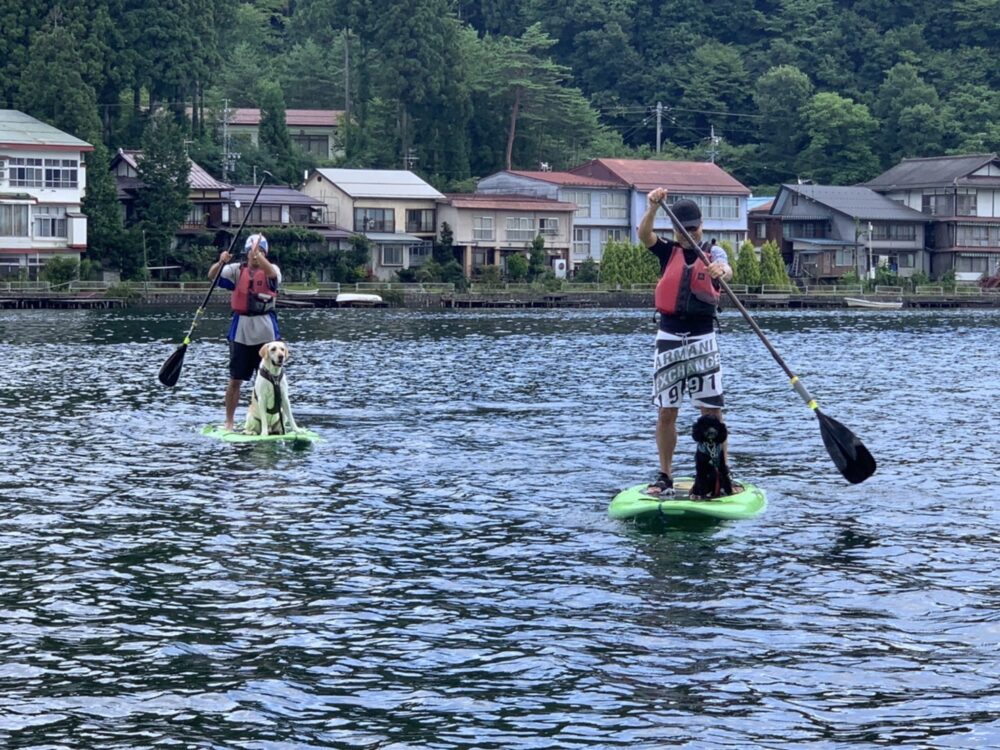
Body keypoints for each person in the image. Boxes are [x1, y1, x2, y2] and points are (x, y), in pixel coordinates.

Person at [638, 189, 732, 496]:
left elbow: (725, 267)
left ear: (701, 225)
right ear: (674, 229)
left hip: (703, 339)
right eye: (682, 229)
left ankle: (718, 472)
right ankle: (664, 475)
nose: (688, 233)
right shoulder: (666, 251)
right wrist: (652, 207)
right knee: (667, 411)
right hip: (669, 338)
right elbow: (644, 235)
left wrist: (722, 271)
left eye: (692, 228)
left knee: (712, 412)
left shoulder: (713, 252)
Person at [207, 233, 282, 430]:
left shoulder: (272, 269)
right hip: (241, 330)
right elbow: (212, 276)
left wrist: (260, 257)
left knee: (271, 379)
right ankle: (229, 421)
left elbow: (272, 276)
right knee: (235, 379)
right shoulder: (235, 270)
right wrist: (220, 262)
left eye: (260, 252)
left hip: (266, 331)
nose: (255, 255)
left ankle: (273, 421)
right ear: (246, 253)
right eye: (252, 252)